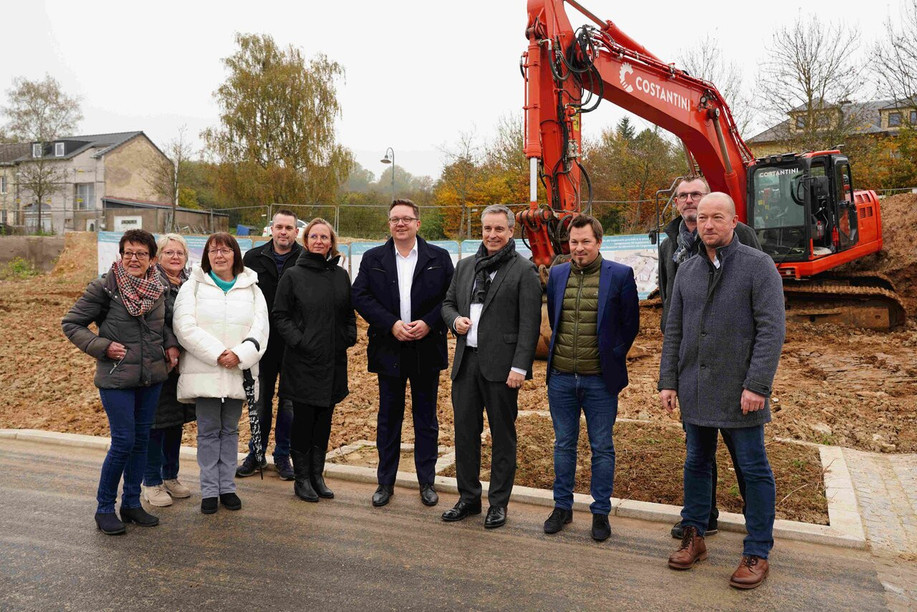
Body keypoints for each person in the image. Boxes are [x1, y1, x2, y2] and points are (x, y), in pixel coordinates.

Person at [659, 192, 785, 590]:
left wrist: (757, 385)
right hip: (695, 387)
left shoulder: (758, 266)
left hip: (740, 392)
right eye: (701, 218)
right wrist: (668, 381)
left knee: (753, 468)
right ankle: (695, 535)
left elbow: (771, 330)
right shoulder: (689, 270)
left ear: (733, 222)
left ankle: (757, 550)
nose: (708, 224)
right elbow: (674, 329)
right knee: (697, 462)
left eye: (717, 217)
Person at [659, 175, 760, 539]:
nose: (689, 201)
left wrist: (756, 380)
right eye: (683, 197)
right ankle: (702, 518)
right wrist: (669, 369)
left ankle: (756, 520)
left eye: (696, 195)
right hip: (692, 364)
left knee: (744, 453)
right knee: (698, 452)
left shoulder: (742, 240)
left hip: (732, 370)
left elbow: (759, 307)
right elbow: (670, 298)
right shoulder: (671, 242)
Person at [62, 229, 177, 535]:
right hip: (116, 378)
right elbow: (71, 323)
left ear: (152, 258)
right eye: (128, 252)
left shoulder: (158, 286)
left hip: (151, 376)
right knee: (124, 441)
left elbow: (160, 325)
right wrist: (102, 346)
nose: (133, 259)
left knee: (141, 441)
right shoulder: (105, 287)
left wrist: (170, 344)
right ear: (121, 254)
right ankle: (104, 508)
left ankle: (131, 504)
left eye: (140, 253)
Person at [440, 204, 542, 529]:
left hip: (502, 369)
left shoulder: (524, 270)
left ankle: (498, 503)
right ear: (481, 230)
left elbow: (530, 324)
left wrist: (520, 367)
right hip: (466, 365)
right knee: (465, 435)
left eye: (499, 229)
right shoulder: (466, 266)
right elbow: (446, 304)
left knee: (503, 437)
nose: (492, 235)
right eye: (487, 229)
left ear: (511, 231)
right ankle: (468, 498)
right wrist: (454, 320)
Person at [542, 215, 640, 541]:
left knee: (602, 447)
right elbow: (556, 320)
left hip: (600, 381)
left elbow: (630, 325)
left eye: (585, 242)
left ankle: (600, 513)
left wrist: (614, 354)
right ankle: (562, 507)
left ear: (599, 242)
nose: (579, 248)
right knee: (564, 445)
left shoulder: (620, 275)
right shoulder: (556, 274)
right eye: (574, 242)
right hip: (561, 379)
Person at [352, 199, 455, 508]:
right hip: (389, 348)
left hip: (426, 347)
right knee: (389, 418)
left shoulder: (439, 257)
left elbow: (451, 296)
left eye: (407, 219)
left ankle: (427, 482)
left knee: (426, 419)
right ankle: (385, 483)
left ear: (417, 223)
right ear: (389, 224)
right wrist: (390, 324)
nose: (400, 224)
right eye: (395, 219)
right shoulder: (373, 259)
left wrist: (429, 322)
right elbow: (360, 295)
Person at [173, 233, 268, 515]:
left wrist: (240, 354)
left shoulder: (252, 288)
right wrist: (219, 353)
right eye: (214, 250)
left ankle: (227, 487)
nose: (220, 255)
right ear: (206, 256)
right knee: (208, 432)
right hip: (205, 371)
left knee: (230, 431)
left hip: (239, 371)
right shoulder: (193, 287)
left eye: (226, 250)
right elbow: (184, 327)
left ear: (235, 255)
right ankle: (210, 491)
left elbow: (261, 329)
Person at [273, 218, 357, 502]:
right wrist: (300, 341)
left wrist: (348, 336)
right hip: (303, 362)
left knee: (324, 420)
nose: (319, 241)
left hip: (332, 361)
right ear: (306, 241)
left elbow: (348, 313)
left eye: (325, 237)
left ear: (331, 242)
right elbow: (280, 315)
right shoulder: (293, 275)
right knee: (303, 421)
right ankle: (302, 478)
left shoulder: (339, 275)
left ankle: (317, 475)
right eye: (314, 237)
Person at [236, 210, 303, 481]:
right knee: (261, 402)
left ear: (296, 232)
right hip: (261, 345)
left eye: (289, 227)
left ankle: (282, 455)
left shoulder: (304, 259)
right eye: (279, 227)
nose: (283, 232)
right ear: (271, 230)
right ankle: (256, 453)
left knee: (289, 404)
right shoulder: (252, 258)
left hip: (293, 345)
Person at [141, 233, 195, 507]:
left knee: (175, 421)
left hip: (182, 364)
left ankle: (170, 475)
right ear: (158, 257)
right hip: (158, 361)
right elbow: (157, 320)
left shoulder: (189, 284)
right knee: (156, 424)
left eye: (180, 253)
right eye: (169, 252)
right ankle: (151, 481)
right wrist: (171, 344)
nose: (175, 257)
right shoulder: (152, 284)